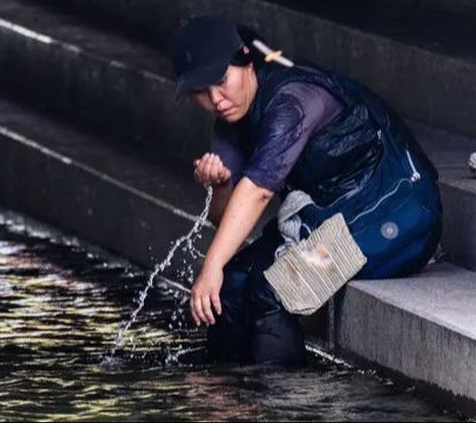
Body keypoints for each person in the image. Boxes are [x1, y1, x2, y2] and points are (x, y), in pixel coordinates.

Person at [170, 15, 442, 366]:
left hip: (399, 214)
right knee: (232, 282)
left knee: (275, 289)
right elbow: (227, 221)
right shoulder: (232, 119)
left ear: (245, 59)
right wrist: (222, 186)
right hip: (332, 216)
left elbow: (258, 192)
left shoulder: (293, 100)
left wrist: (210, 265)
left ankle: (281, 406)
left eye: (221, 82)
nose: (216, 99)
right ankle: (222, 395)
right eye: (200, 92)